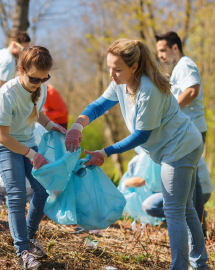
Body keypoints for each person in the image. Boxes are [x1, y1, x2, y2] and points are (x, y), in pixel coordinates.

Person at [65, 39, 208, 269]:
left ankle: (181, 266)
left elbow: (141, 135)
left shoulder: (147, 90)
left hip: (180, 148)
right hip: (179, 145)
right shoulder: (121, 82)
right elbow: (99, 105)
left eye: (117, 69)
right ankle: (200, 265)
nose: (112, 74)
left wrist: (105, 152)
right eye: (109, 67)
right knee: (185, 208)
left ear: (134, 67)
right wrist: (78, 125)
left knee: (173, 210)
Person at [0, 46, 66, 269]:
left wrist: (51, 125)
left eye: (45, 78)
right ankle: (22, 251)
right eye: (34, 78)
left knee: (43, 190)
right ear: (21, 70)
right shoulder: (6, 94)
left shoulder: (39, 88)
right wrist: (32, 154)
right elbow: (2, 136)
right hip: (5, 147)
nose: (39, 83)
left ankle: (30, 238)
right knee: (16, 195)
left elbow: (37, 112)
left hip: (28, 143)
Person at [156, 31, 208, 225]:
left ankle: (198, 228)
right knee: (191, 179)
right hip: (189, 131)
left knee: (190, 181)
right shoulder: (178, 68)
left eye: (163, 50)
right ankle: (198, 227)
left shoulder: (185, 64)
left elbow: (192, 90)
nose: (160, 55)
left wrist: (171, 110)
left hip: (193, 129)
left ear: (175, 47)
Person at [0, 31, 31, 126]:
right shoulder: (8, 61)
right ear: (14, 45)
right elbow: (0, 92)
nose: (24, 53)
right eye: (23, 49)